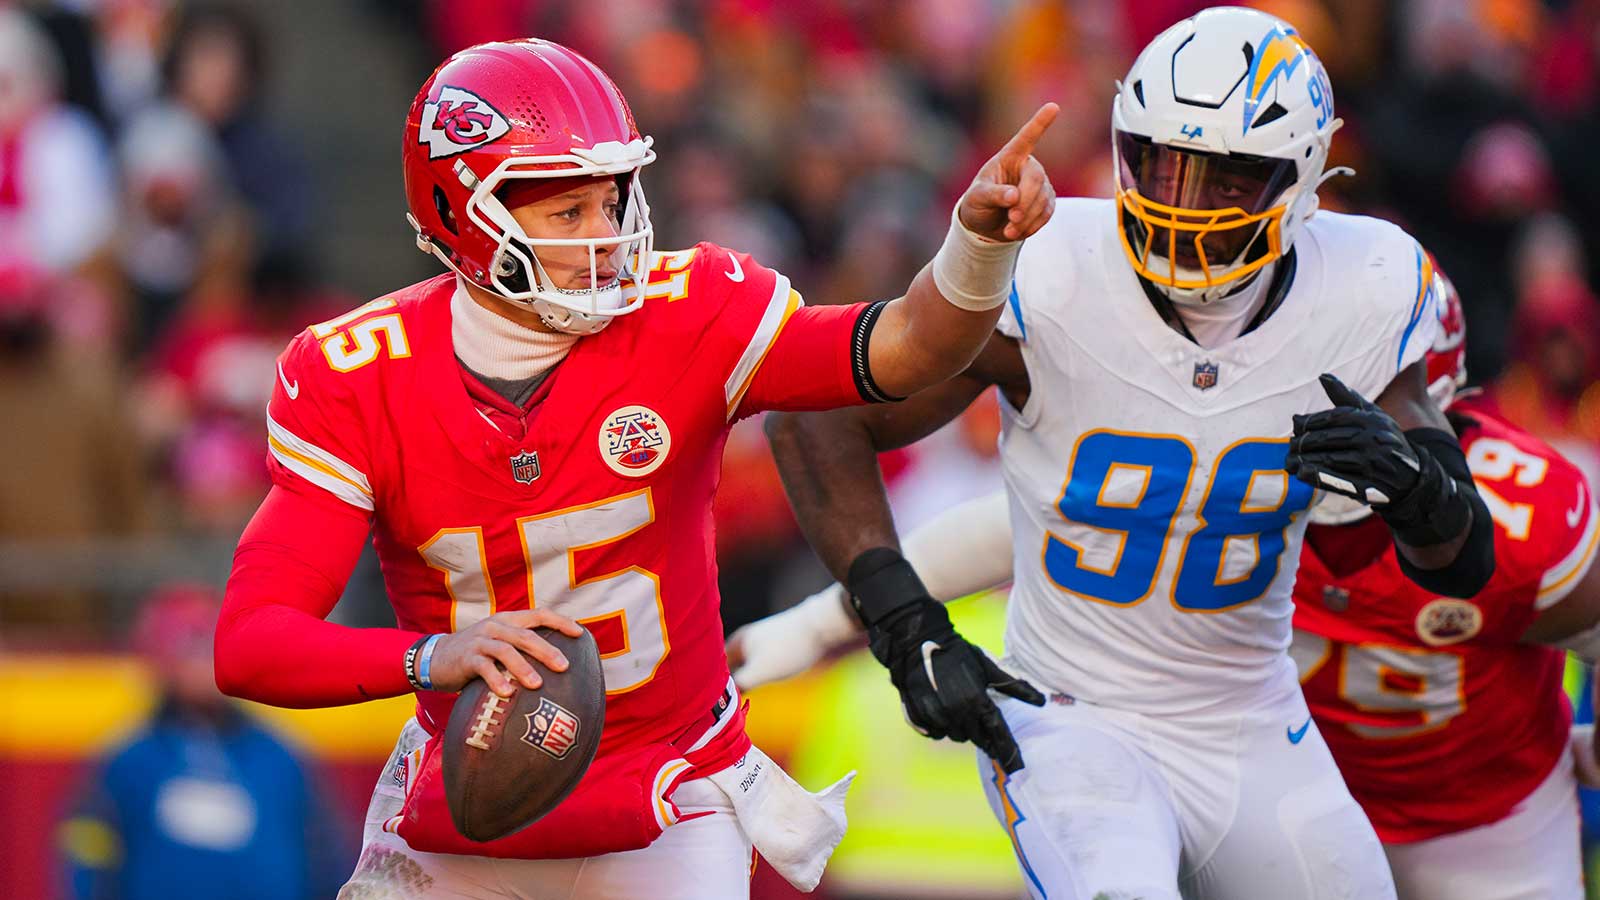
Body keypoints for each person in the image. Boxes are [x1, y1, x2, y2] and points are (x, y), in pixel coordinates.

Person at [213, 38, 1059, 899]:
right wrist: (430, 658)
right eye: (567, 214)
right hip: (470, 800)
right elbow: (251, 645)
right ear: (465, 216)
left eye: (609, 202)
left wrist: (976, 247)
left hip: (671, 796)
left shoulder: (689, 313)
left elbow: (908, 348)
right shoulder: (361, 374)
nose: (607, 238)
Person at [756, 8, 1497, 898]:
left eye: (1227, 180)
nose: (1185, 203)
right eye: (1163, 164)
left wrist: (1423, 494)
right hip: (1073, 713)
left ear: (1299, 180)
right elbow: (816, 418)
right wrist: (903, 621)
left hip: (1248, 717)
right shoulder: (1054, 263)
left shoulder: (1365, 283)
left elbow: (1462, 561)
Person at [737, 279, 1600, 900]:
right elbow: (1011, 531)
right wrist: (819, 625)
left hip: (1484, 815)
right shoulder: (1225, 454)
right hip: (1279, 786)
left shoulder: (1523, 516)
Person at [60, 585, 346, 900]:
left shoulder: (281, 757)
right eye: (189, 648)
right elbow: (88, 855)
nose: (202, 662)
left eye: (210, 645)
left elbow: (326, 854)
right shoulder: (127, 760)